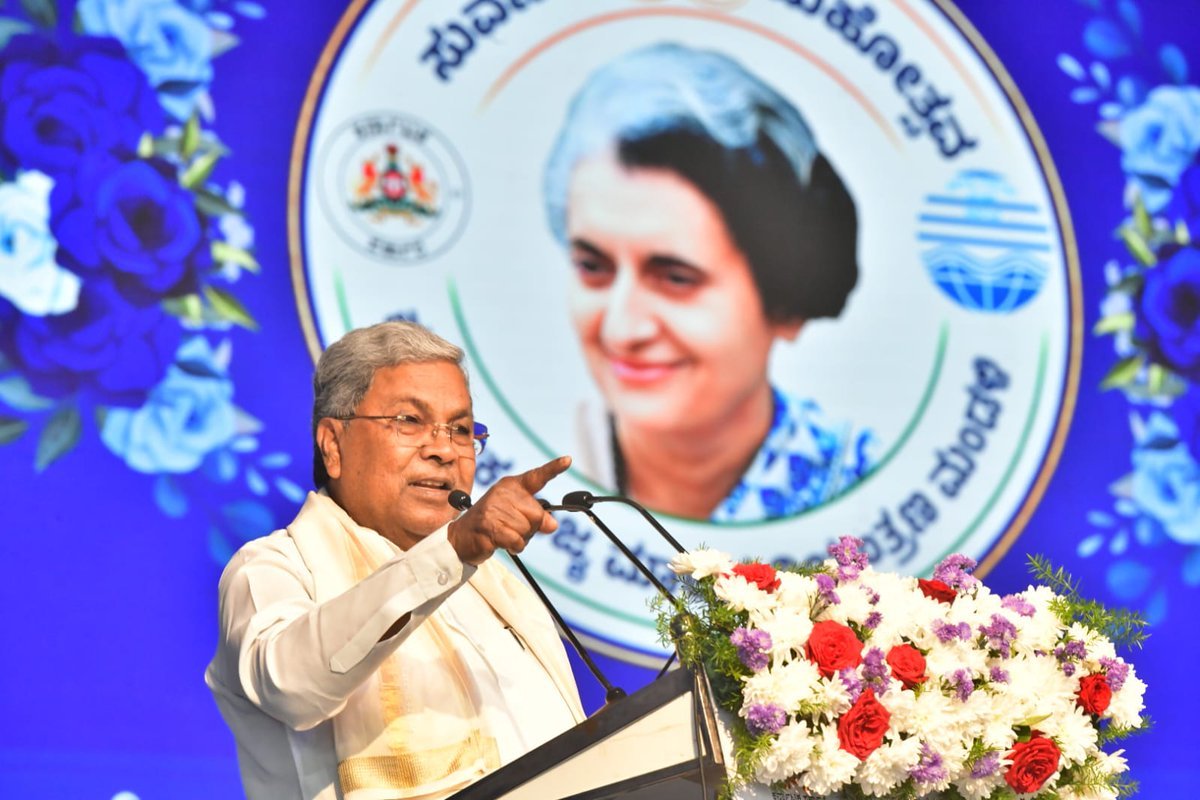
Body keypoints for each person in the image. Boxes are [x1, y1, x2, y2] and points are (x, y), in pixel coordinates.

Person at [205, 320, 584, 800]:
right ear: (333, 445)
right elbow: (292, 686)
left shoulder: (498, 591)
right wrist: (451, 551)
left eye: (460, 430)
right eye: (409, 420)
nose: (444, 450)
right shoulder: (272, 568)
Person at [543, 42, 878, 523]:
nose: (621, 329)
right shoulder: (515, 471)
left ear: (786, 300)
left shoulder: (874, 496)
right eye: (593, 267)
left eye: (676, 278)